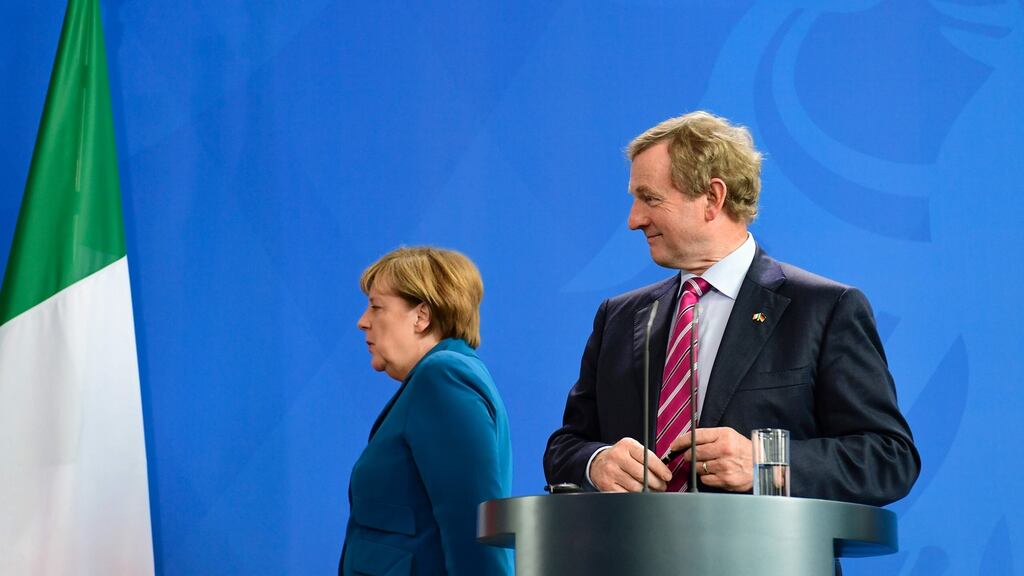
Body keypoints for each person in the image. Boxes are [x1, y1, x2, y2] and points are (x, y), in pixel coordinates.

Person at [544, 111, 919, 504]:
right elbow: (566, 446)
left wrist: (765, 463)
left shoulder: (825, 310)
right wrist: (597, 461)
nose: (634, 220)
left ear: (712, 198)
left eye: (650, 198)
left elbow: (889, 459)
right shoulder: (618, 318)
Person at [340, 247, 512, 575]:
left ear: (421, 316)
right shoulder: (443, 376)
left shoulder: (443, 377)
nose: (363, 322)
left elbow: (473, 527)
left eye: (377, 307)